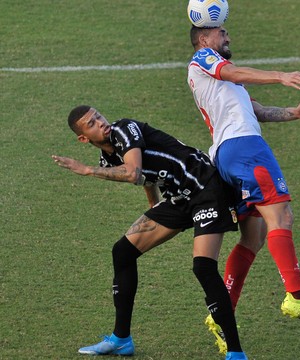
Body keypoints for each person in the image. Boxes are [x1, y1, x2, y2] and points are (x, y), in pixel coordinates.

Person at [52, 106, 248, 360]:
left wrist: (88, 170)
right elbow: (145, 177)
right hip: (179, 197)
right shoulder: (109, 158)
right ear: (83, 138)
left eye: (99, 116)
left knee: (203, 267)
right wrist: (154, 207)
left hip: (206, 187)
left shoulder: (124, 129)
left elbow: (133, 171)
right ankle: (121, 339)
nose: (101, 122)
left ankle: (235, 353)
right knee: (122, 251)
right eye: (92, 124)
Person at [187, 24, 300, 340]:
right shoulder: (203, 59)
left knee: (253, 237)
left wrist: (295, 113)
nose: (228, 37)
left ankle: (221, 315)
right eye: (221, 32)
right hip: (244, 148)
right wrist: (280, 76)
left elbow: (259, 111)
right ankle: (297, 297)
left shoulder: (223, 83)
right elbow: (235, 73)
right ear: (203, 39)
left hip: (230, 153)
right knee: (281, 216)